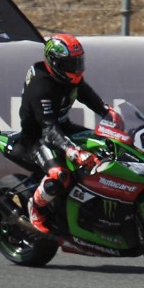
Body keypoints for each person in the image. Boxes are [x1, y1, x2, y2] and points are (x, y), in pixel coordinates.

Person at [13, 33, 120, 234]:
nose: (76, 68)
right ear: (55, 62)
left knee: (106, 146)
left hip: (63, 127)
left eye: (78, 62)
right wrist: (73, 151)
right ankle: (35, 208)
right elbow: (49, 128)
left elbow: (84, 92)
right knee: (59, 174)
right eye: (71, 63)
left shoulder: (68, 77)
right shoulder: (41, 86)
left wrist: (106, 111)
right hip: (37, 137)